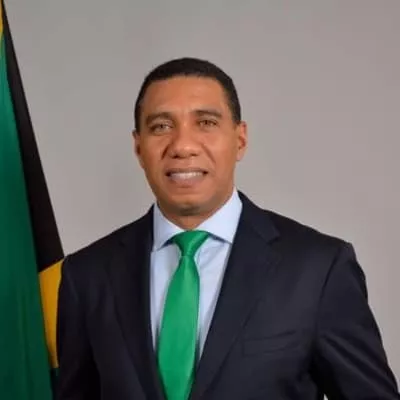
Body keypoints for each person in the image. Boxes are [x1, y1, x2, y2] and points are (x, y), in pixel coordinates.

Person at [56, 57, 400, 400]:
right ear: (138, 147)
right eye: (161, 126)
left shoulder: (317, 268)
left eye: (205, 123)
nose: (183, 146)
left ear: (240, 139)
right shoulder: (86, 275)